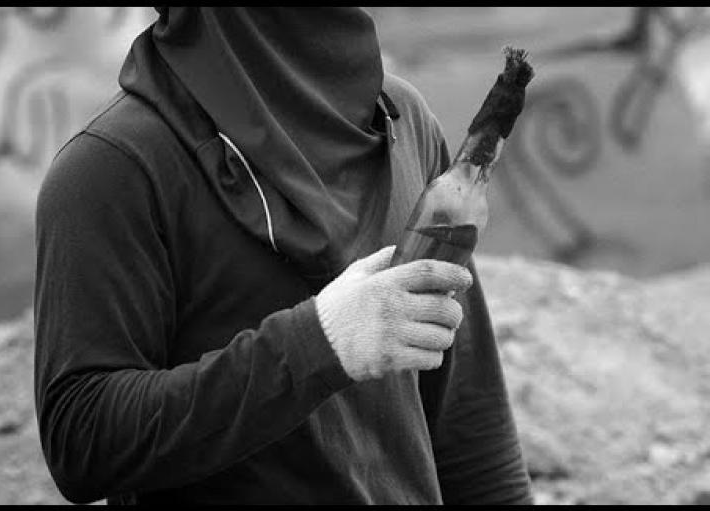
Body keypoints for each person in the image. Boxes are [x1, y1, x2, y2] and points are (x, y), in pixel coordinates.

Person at [34, 7, 533, 505]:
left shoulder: (403, 119)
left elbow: (469, 424)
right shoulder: (112, 167)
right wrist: (319, 344)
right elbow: (80, 436)